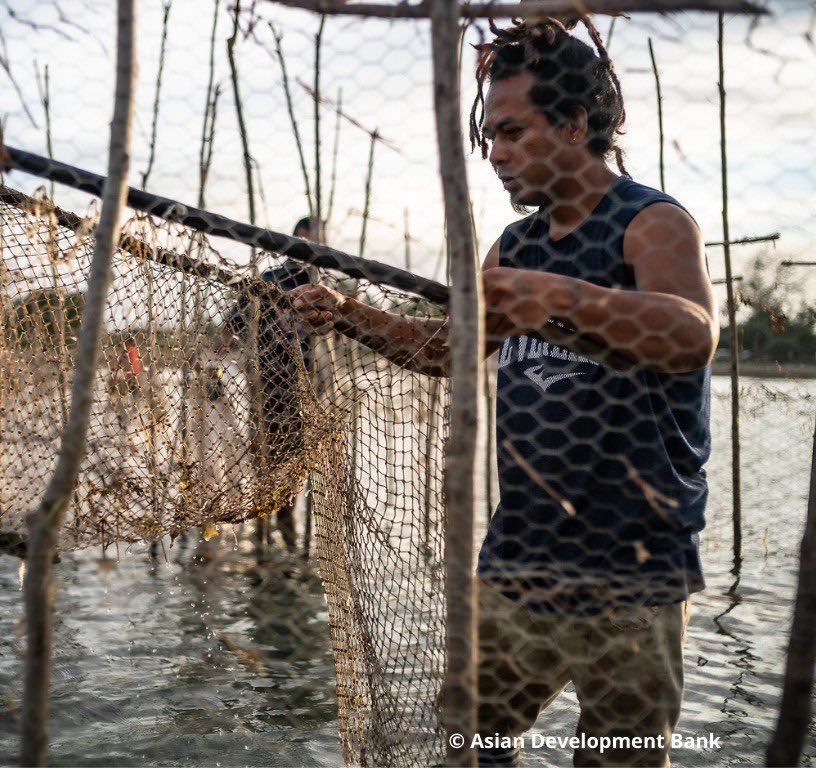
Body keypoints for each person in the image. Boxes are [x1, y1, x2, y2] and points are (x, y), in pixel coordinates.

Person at [288, 19, 716, 767]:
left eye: (513, 132)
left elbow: (689, 334)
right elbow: (444, 349)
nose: (496, 154)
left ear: (576, 124)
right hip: (519, 560)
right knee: (471, 741)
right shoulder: (513, 248)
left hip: (633, 569)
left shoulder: (650, 224)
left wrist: (558, 299)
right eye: (489, 137)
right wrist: (350, 315)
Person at [217, 216, 316, 553]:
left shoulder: (320, 283)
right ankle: (265, 539)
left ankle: (286, 539)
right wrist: (213, 363)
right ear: (300, 238)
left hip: (303, 388)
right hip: (268, 384)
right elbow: (232, 323)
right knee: (268, 460)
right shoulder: (273, 279)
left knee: (292, 466)